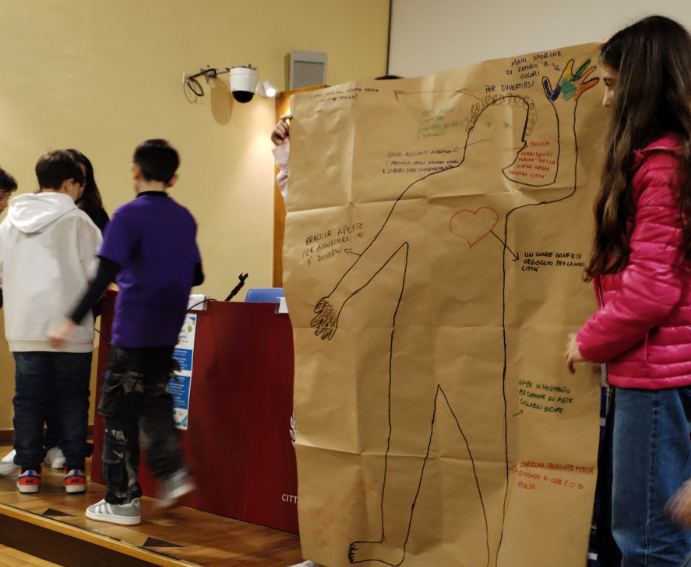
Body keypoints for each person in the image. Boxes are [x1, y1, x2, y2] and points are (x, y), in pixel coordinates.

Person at [565, 15, 691, 566]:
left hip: (655, 375)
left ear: (643, 85)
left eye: (614, 85)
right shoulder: (673, 158)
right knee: (658, 530)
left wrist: (588, 341)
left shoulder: (660, 165)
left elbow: (652, 290)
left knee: (645, 538)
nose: (606, 100)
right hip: (665, 371)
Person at [49, 139, 204, 526]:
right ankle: (173, 473)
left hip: (134, 328)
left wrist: (69, 319)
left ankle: (121, 500)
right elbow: (197, 274)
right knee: (153, 400)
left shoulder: (128, 215)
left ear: (135, 170)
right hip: (168, 330)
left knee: (117, 410)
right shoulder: (185, 217)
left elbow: (103, 274)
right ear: (173, 178)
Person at [1, 150, 111, 477]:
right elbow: (98, 275)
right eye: (80, 184)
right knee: (73, 399)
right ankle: (75, 470)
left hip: (24, 326)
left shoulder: (10, 221)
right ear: (69, 183)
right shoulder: (80, 221)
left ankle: (28, 470)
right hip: (71, 328)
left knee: (27, 400)